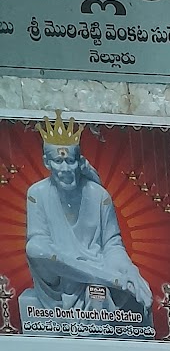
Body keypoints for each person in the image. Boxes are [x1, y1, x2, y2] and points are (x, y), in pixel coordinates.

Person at [19, 112, 153, 338]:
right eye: (58, 161)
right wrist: (112, 278)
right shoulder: (37, 193)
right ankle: (106, 279)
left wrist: (129, 270)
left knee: (97, 295)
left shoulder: (99, 195)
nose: (65, 169)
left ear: (80, 161)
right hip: (59, 277)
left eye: (70, 161)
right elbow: (39, 242)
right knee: (35, 248)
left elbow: (112, 245)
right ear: (47, 162)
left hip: (98, 270)